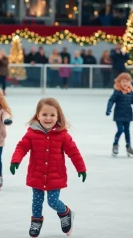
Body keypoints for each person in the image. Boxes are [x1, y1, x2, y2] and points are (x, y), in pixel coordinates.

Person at [10, 98, 87, 237]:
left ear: (58, 116)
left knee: (53, 201)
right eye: (44, 114)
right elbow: (21, 147)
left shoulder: (62, 135)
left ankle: (65, 212)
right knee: (37, 201)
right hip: (37, 173)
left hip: (55, 175)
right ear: (38, 115)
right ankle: (36, 221)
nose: (48, 118)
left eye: (52, 115)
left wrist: (81, 168)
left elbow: (74, 152)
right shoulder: (31, 133)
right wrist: (16, 160)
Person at [106, 73, 133, 157]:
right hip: (118, 115)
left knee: (127, 131)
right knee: (120, 130)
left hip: (128, 115)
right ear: (119, 82)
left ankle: (128, 146)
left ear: (130, 82)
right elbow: (111, 101)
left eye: (127, 81)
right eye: (123, 81)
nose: (125, 83)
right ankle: (115, 144)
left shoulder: (131, 92)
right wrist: (109, 109)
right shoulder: (117, 92)